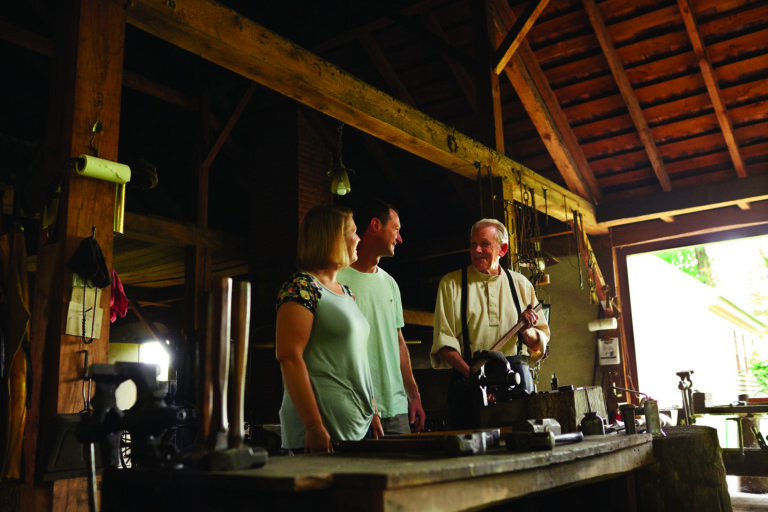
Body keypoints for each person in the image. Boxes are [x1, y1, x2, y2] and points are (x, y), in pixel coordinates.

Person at [275, 205, 384, 454]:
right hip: (324, 434)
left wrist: (374, 410)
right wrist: (313, 426)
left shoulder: (346, 292)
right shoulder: (302, 286)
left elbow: (357, 359)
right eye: (353, 232)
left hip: (360, 425)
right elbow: (289, 358)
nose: (359, 239)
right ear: (333, 237)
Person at [430, 218, 550, 429]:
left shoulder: (522, 285)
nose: (476, 250)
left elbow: (539, 344)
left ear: (502, 249)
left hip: (515, 382)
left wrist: (528, 331)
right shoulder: (451, 284)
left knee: (522, 446)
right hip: (468, 379)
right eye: (473, 244)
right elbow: (443, 344)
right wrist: (473, 377)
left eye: (484, 244)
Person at [338, 199, 426, 435]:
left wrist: (413, 396)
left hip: (397, 409)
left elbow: (398, 342)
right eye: (396, 229)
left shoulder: (390, 284)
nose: (399, 238)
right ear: (376, 225)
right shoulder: (336, 279)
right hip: (355, 409)